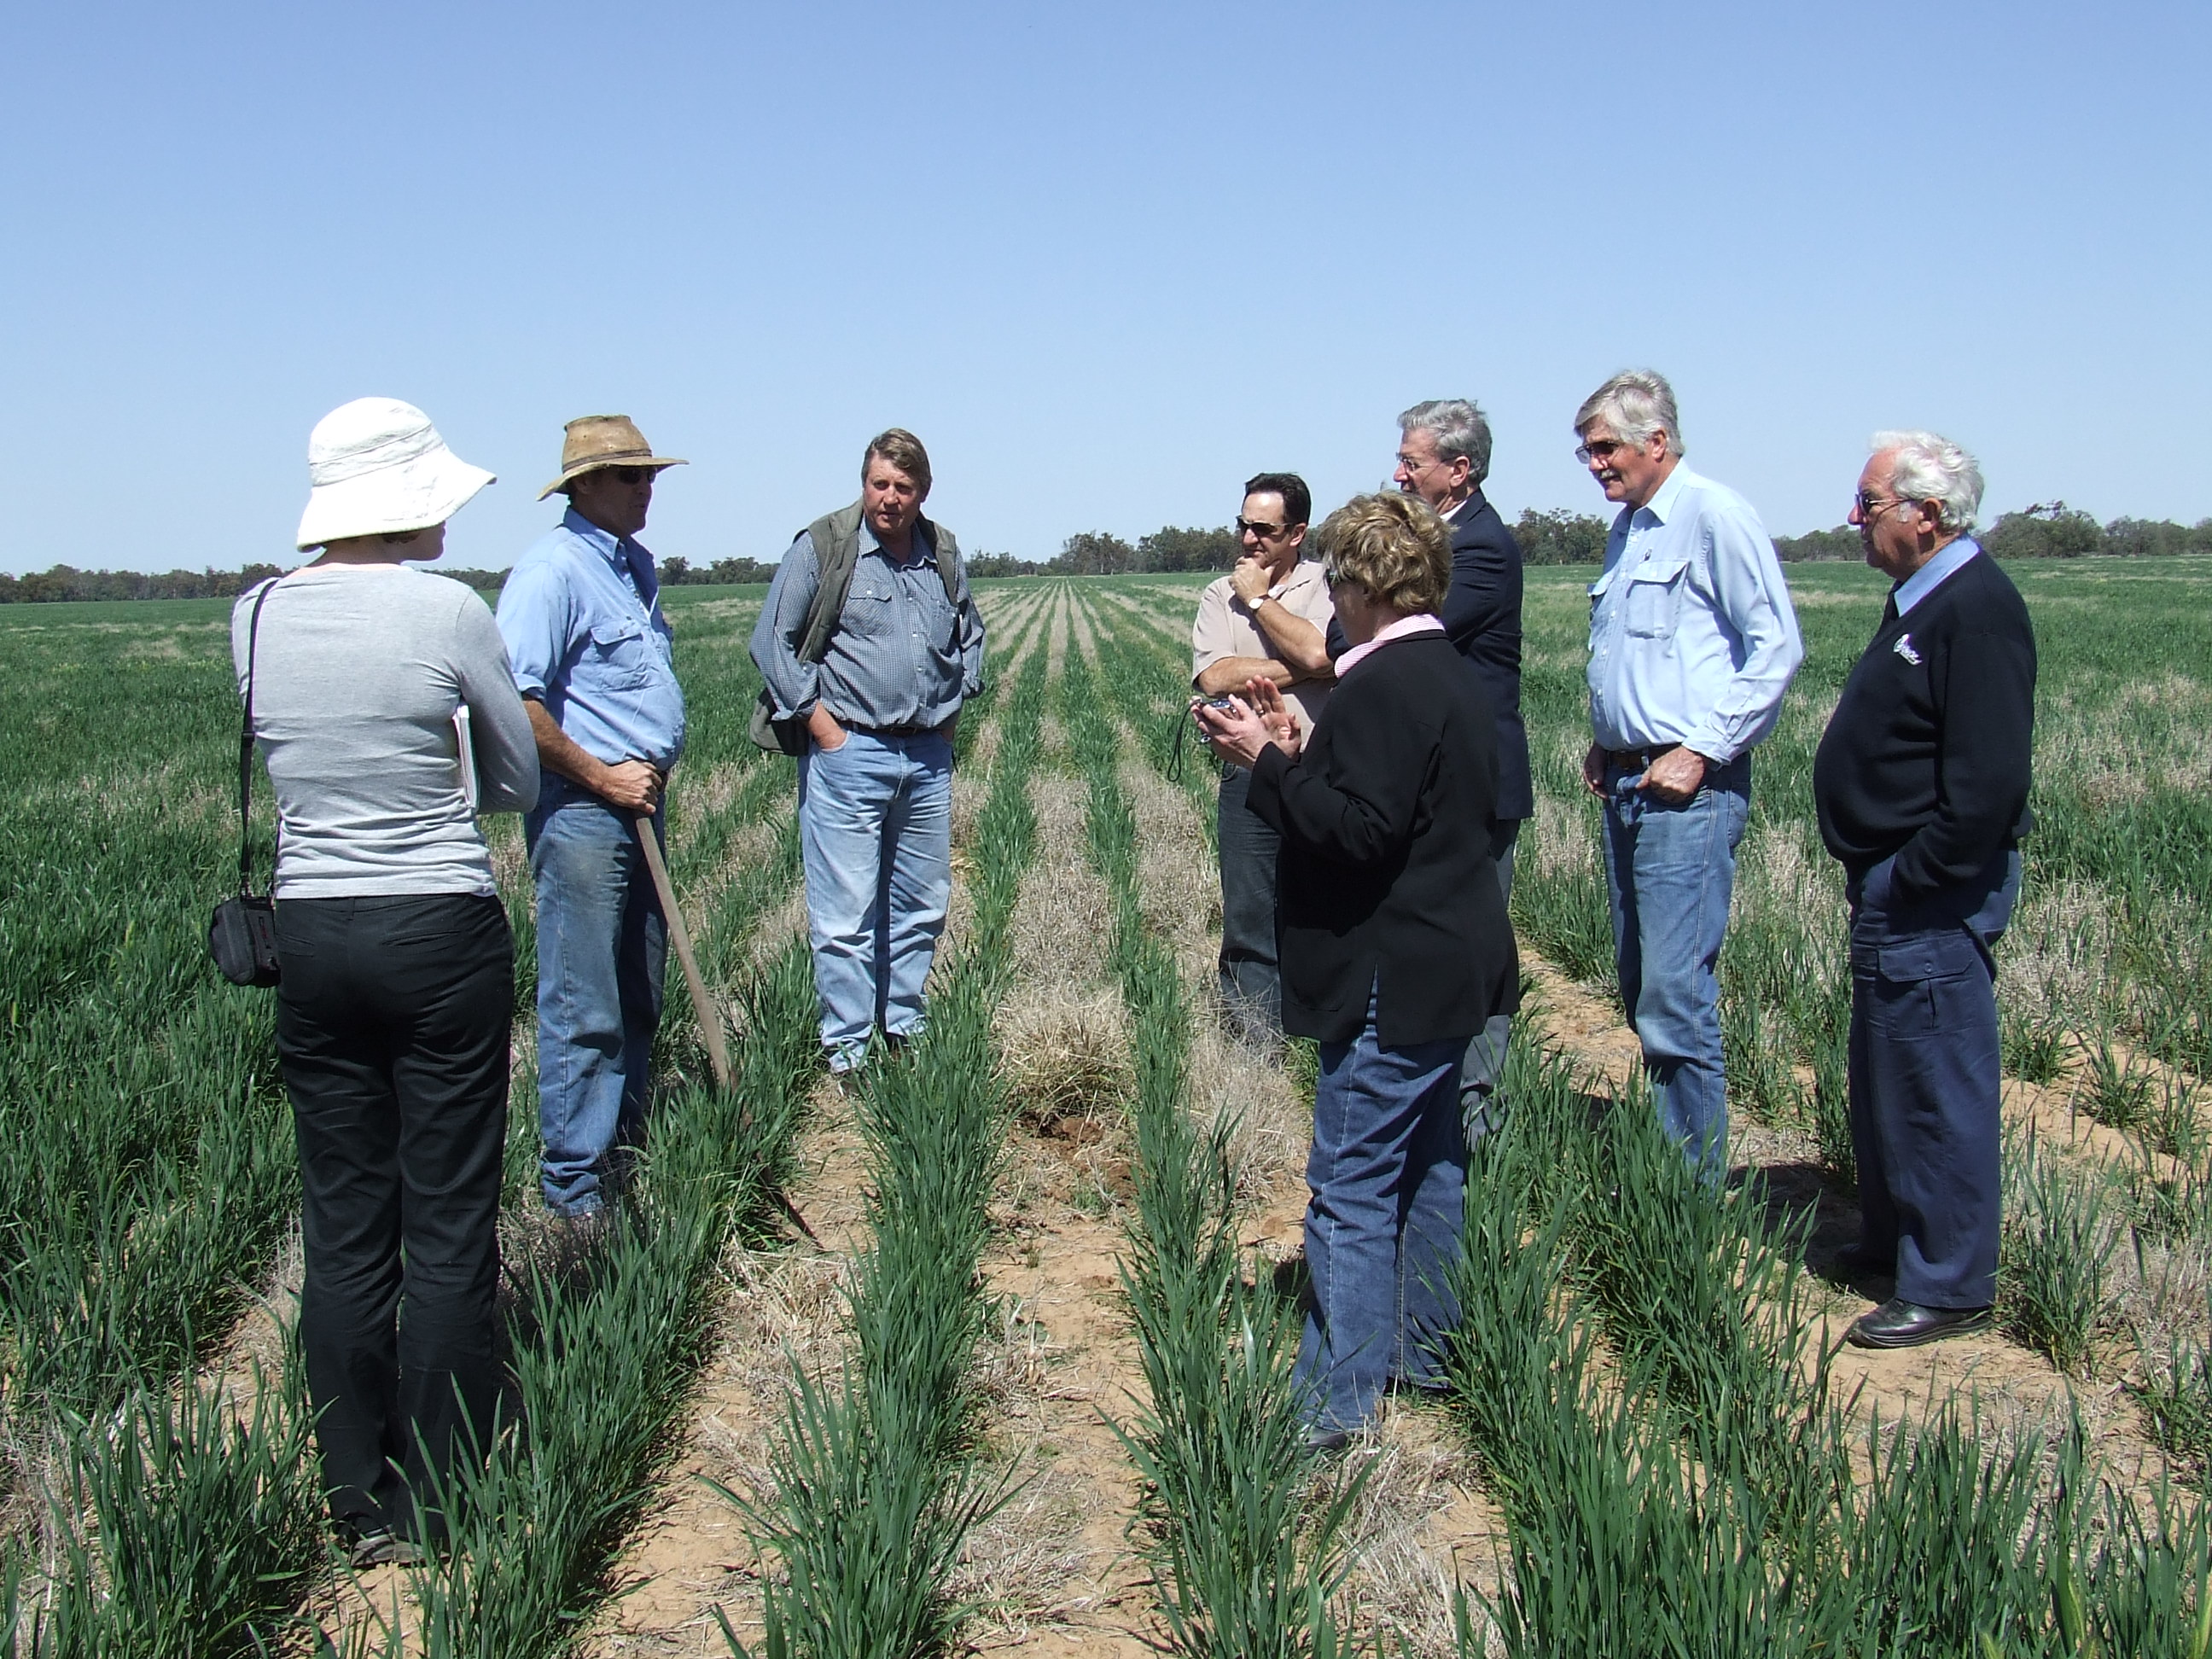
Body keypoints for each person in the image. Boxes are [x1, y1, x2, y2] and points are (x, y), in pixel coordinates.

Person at [240, 397, 538, 1564]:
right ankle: (442, 1496)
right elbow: (511, 776)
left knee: (346, 1221)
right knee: (451, 1220)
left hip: (310, 933)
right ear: (408, 502)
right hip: (436, 928)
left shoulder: (255, 614)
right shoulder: (446, 611)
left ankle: (355, 1496)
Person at [1197, 492, 1516, 1447]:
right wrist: (1298, 754)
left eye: (1335, 577)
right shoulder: (1443, 671)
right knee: (1431, 1168)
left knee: (1350, 1187)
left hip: (1393, 975)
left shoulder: (1384, 684)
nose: (1328, 596)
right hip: (1455, 966)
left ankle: (1332, 1410)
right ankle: (1426, 1353)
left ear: (1362, 585)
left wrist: (1264, 761)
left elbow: (1361, 834)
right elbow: (1392, 807)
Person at [1813, 432, 2034, 1348]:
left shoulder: (1974, 610)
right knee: (1889, 1074)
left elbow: (1984, 788)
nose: (1855, 520)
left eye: (1868, 506)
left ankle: (1948, 1280)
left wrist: (1912, 876)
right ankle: (1896, 1236)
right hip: (1895, 885)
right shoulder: (1921, 600)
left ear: (1927, 516)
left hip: (1930, 893)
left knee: (1937, 1080)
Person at [1575, 370, 1802, 1173]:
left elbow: (1776, 647)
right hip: (1631, 783)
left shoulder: (1714, 514)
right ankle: (1676, 1159)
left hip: (1688, 792)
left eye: (1604, 447)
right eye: (1586, 450)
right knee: (1643, 984)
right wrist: (1611, 737)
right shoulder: (1630, 527)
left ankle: (1690, 1193)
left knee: (1675, 994)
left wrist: (1702, 748)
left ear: (1657, 442)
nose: (1592, 462)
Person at [496, 415, 688, 1219]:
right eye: (630, 477)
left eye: (650, 476)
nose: (647, 490)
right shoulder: (553, 572)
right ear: (583, 487)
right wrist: (602, 778)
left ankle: (628, 1152)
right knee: (585, 1004)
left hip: (634, 806)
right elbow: (515, 702)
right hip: (584, 813)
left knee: (640, 987)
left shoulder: (629, 569)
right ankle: (577, 1189)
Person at [751, 428, 987, 1076]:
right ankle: (849, 1051)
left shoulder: (941, 552)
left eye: (903, 488)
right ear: (864, 484)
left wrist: (949, 720)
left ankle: (903, 1027)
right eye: (880, 484)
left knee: (921, 902)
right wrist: (824, 728)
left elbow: (971, 636)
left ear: (923, 493)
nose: (890, 498)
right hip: (850, 753)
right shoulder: (824, 548)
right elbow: (772, 642)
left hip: (927, 758)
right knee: (846, 910)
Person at [1360, 400, 1530, 1138]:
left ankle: (1474, 1114)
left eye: (1413, 462)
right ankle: (1432, 1099)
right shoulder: (1440, 544)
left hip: (1477, 785)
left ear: (1460, 471)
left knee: (1474, 944)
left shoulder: (1481, 549)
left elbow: (1390, 630)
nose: (1399, 472)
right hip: (1430, 780)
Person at [1190, 471, 1335, 1041]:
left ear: (1297, 532)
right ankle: (1257, 1041)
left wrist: (1259, 600)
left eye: (1264, 530)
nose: (1249, 540)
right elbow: (1214, 673)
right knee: (1250, 915)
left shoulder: (1330, 587)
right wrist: (1305, 667)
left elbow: (1327, 651)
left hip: (1324, 773)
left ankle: (1319, 1033)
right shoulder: (1216, 595)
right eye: (1243, 526)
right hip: (1248, 774)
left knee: (1324, 909)